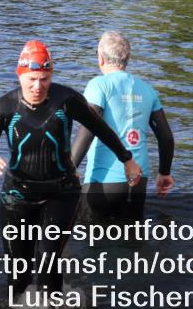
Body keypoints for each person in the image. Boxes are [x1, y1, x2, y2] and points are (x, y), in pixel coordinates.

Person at [0, 40, 142, 297]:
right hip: (17, 195)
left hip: (61, 192)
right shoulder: (2, 108)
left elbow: (101, 129)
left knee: (49, 261)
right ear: (20, 75)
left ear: (51, 76)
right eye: (31, 79)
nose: (38, 86)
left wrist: (127, 158)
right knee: (18, 272)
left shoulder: (67, 100)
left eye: (45, 79)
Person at [72, 32, 174, 229]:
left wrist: (68, 170)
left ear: (100, 57)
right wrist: (164, 173)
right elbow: (166, 137)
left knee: (91, 244)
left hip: (103, 181)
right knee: (131, 244)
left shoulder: (98, 85)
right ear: (127, 59)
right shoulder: (147, 89)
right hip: (138, 181)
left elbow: (88, 130)